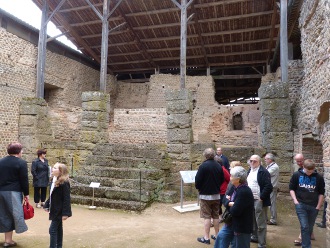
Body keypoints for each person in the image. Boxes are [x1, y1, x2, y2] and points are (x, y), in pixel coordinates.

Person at [214, 166, 254, 248]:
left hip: (241, 226)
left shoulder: (244, 191)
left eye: (232, 176)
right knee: (221, 237)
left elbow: (235, 211)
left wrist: (228, 203)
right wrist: (230, 203)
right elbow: (224, 198)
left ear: (238, 179)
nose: (230, 177)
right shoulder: (234, 187)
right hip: (230, 223)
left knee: (238, 245)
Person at [289, 159, 325, 248]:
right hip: (301, 204)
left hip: (314, 206)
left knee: (309, 227)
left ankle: (305, 242)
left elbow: (321, 193)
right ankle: (306, 246)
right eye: (307, 171)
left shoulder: (319, 177)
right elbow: (291, 189)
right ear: (303, 167)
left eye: (311, 171)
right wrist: (295, 201)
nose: (309, 173)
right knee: (304, 226)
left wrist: (318, 206)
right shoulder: (297, 175)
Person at [0, 142, 29, 247]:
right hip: (13, 193)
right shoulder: (21, 163)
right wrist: (26, 194)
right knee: (14, 215)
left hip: (1, 192)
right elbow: (24, 180)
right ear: (18, 151)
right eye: (21, 150)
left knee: (4, 215)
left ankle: (8, 240)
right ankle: (8, 241)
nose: (22, 152)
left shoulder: (1, 161)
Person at [195, 148, 224, 244]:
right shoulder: (218, 166)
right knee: (215, 216)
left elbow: (198, 181)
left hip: (205, 195)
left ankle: (206, 238)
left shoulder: (203, 166)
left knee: (207, 216)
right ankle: (217, 236)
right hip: (216, 195)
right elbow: (222, 179)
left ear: (205, 156)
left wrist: (199, 188)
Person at [44, 163, 72, 248]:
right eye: (53, 167)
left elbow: (67, 199)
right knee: (58, 229)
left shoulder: (64, 182)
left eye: (55, 168)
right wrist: (47, 204)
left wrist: (65, 213)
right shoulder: (53, 180)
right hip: (54, 209)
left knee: (52, 230)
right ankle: (59, 246)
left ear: (60, 171)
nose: (52, 169)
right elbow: (52, 194)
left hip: (59, 210)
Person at [247, 155, 273, 248]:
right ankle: (254, 236)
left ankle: (262, 243)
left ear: (259, 162)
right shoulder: (250, 170)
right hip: (250, 199)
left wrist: (261, 198)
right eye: (251, 161)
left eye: (255, 161)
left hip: (259, 200)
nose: (252, 163)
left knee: (260, 222)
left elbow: (268, 187)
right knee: (253, 219)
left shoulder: (263, 172)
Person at [293, 154, 315, 245]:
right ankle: (311, 234)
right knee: (306, 221)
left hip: (310, 200)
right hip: (301, 199)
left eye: (300, 161)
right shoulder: (298, 171)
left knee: (305, 221)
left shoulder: (310, 169)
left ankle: (301, 238)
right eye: (297, 161)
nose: (299, 163)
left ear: (304, 159)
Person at [264, 153, 279, 225]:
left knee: (272, 204)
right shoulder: (270, 166)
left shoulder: (274, 167)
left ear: (270, 159)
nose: (265, 160)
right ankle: (266, 218)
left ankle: (274, 220)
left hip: (272, 187)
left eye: (266, 159)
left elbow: (266, 174)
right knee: (267, 203)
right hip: (268, 187)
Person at [214, 156, 230, 223]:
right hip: (217, 190)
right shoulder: (216, 169)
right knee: (218, 205)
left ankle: (226, 217)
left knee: (223, 204)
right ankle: (220, 217)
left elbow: (229, 179)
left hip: (223, 191)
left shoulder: (223, 170)